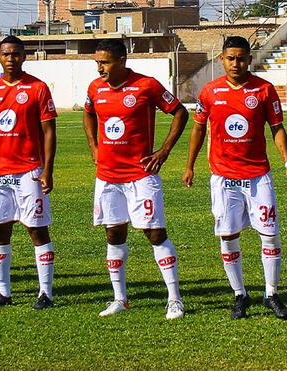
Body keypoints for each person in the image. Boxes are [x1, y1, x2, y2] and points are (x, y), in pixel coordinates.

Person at [183, 36, 287, 320]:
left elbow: (277, 127)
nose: (237, 63)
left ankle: (271, 293)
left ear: (250, 58)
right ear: (222, 59)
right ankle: (239, 294)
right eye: (231, 58)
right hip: (223, 177)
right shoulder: (210, 92)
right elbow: (198, 130)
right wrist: (190, 165)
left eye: (242, 58)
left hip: (258, 176)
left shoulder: (264, 89)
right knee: (228, 235)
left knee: (270, 234)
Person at [83, 39, 189, 319]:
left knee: (155, 233)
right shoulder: (95, 88)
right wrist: (93, 146)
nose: (99, 68)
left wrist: (164, 151)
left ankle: (175, 299)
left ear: (122, 61)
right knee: (113, 233)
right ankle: (120, 299)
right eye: (97, 62)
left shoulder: (147, 85)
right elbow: (88, 112)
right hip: (107, 176)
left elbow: (180, 111)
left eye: (104, 62)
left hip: (140, 174)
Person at [0, 35, 57, 310]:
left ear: (25, 56)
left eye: (16, 54)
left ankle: (45, 294)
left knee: (37, 230)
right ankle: (3, 293)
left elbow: (49, 131)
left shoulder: (37, 88)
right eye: (6, 54)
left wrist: (47, 169)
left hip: (29, 173)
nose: (11, 59)